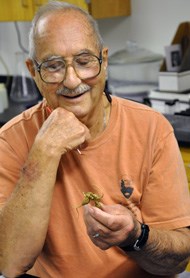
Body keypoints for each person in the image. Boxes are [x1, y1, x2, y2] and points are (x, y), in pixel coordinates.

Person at [0, 1, 189, 277]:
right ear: (33, 72)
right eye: (53, 66)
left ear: (104, 60)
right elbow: (9, 263)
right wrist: (44, 152)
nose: (73, 80)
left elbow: (177, 261)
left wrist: (136, 235)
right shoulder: (10, 139)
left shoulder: (152, 129)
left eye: (84, 61)